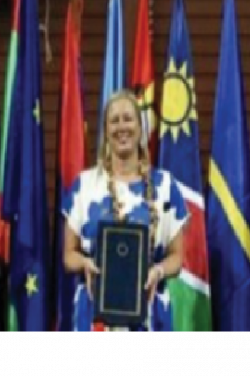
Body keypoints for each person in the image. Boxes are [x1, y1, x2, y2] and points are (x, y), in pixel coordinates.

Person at [61, 89, 187, 332]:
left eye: (128, 119)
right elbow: (68, 256)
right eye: (114, 120)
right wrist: (85, 264)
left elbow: (177, 257)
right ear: (106, 131)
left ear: (140, 128)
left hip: (149, 316)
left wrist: (158, 271)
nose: (122, 127)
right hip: (95, 317)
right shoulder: (84, 185)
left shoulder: (165, 186)